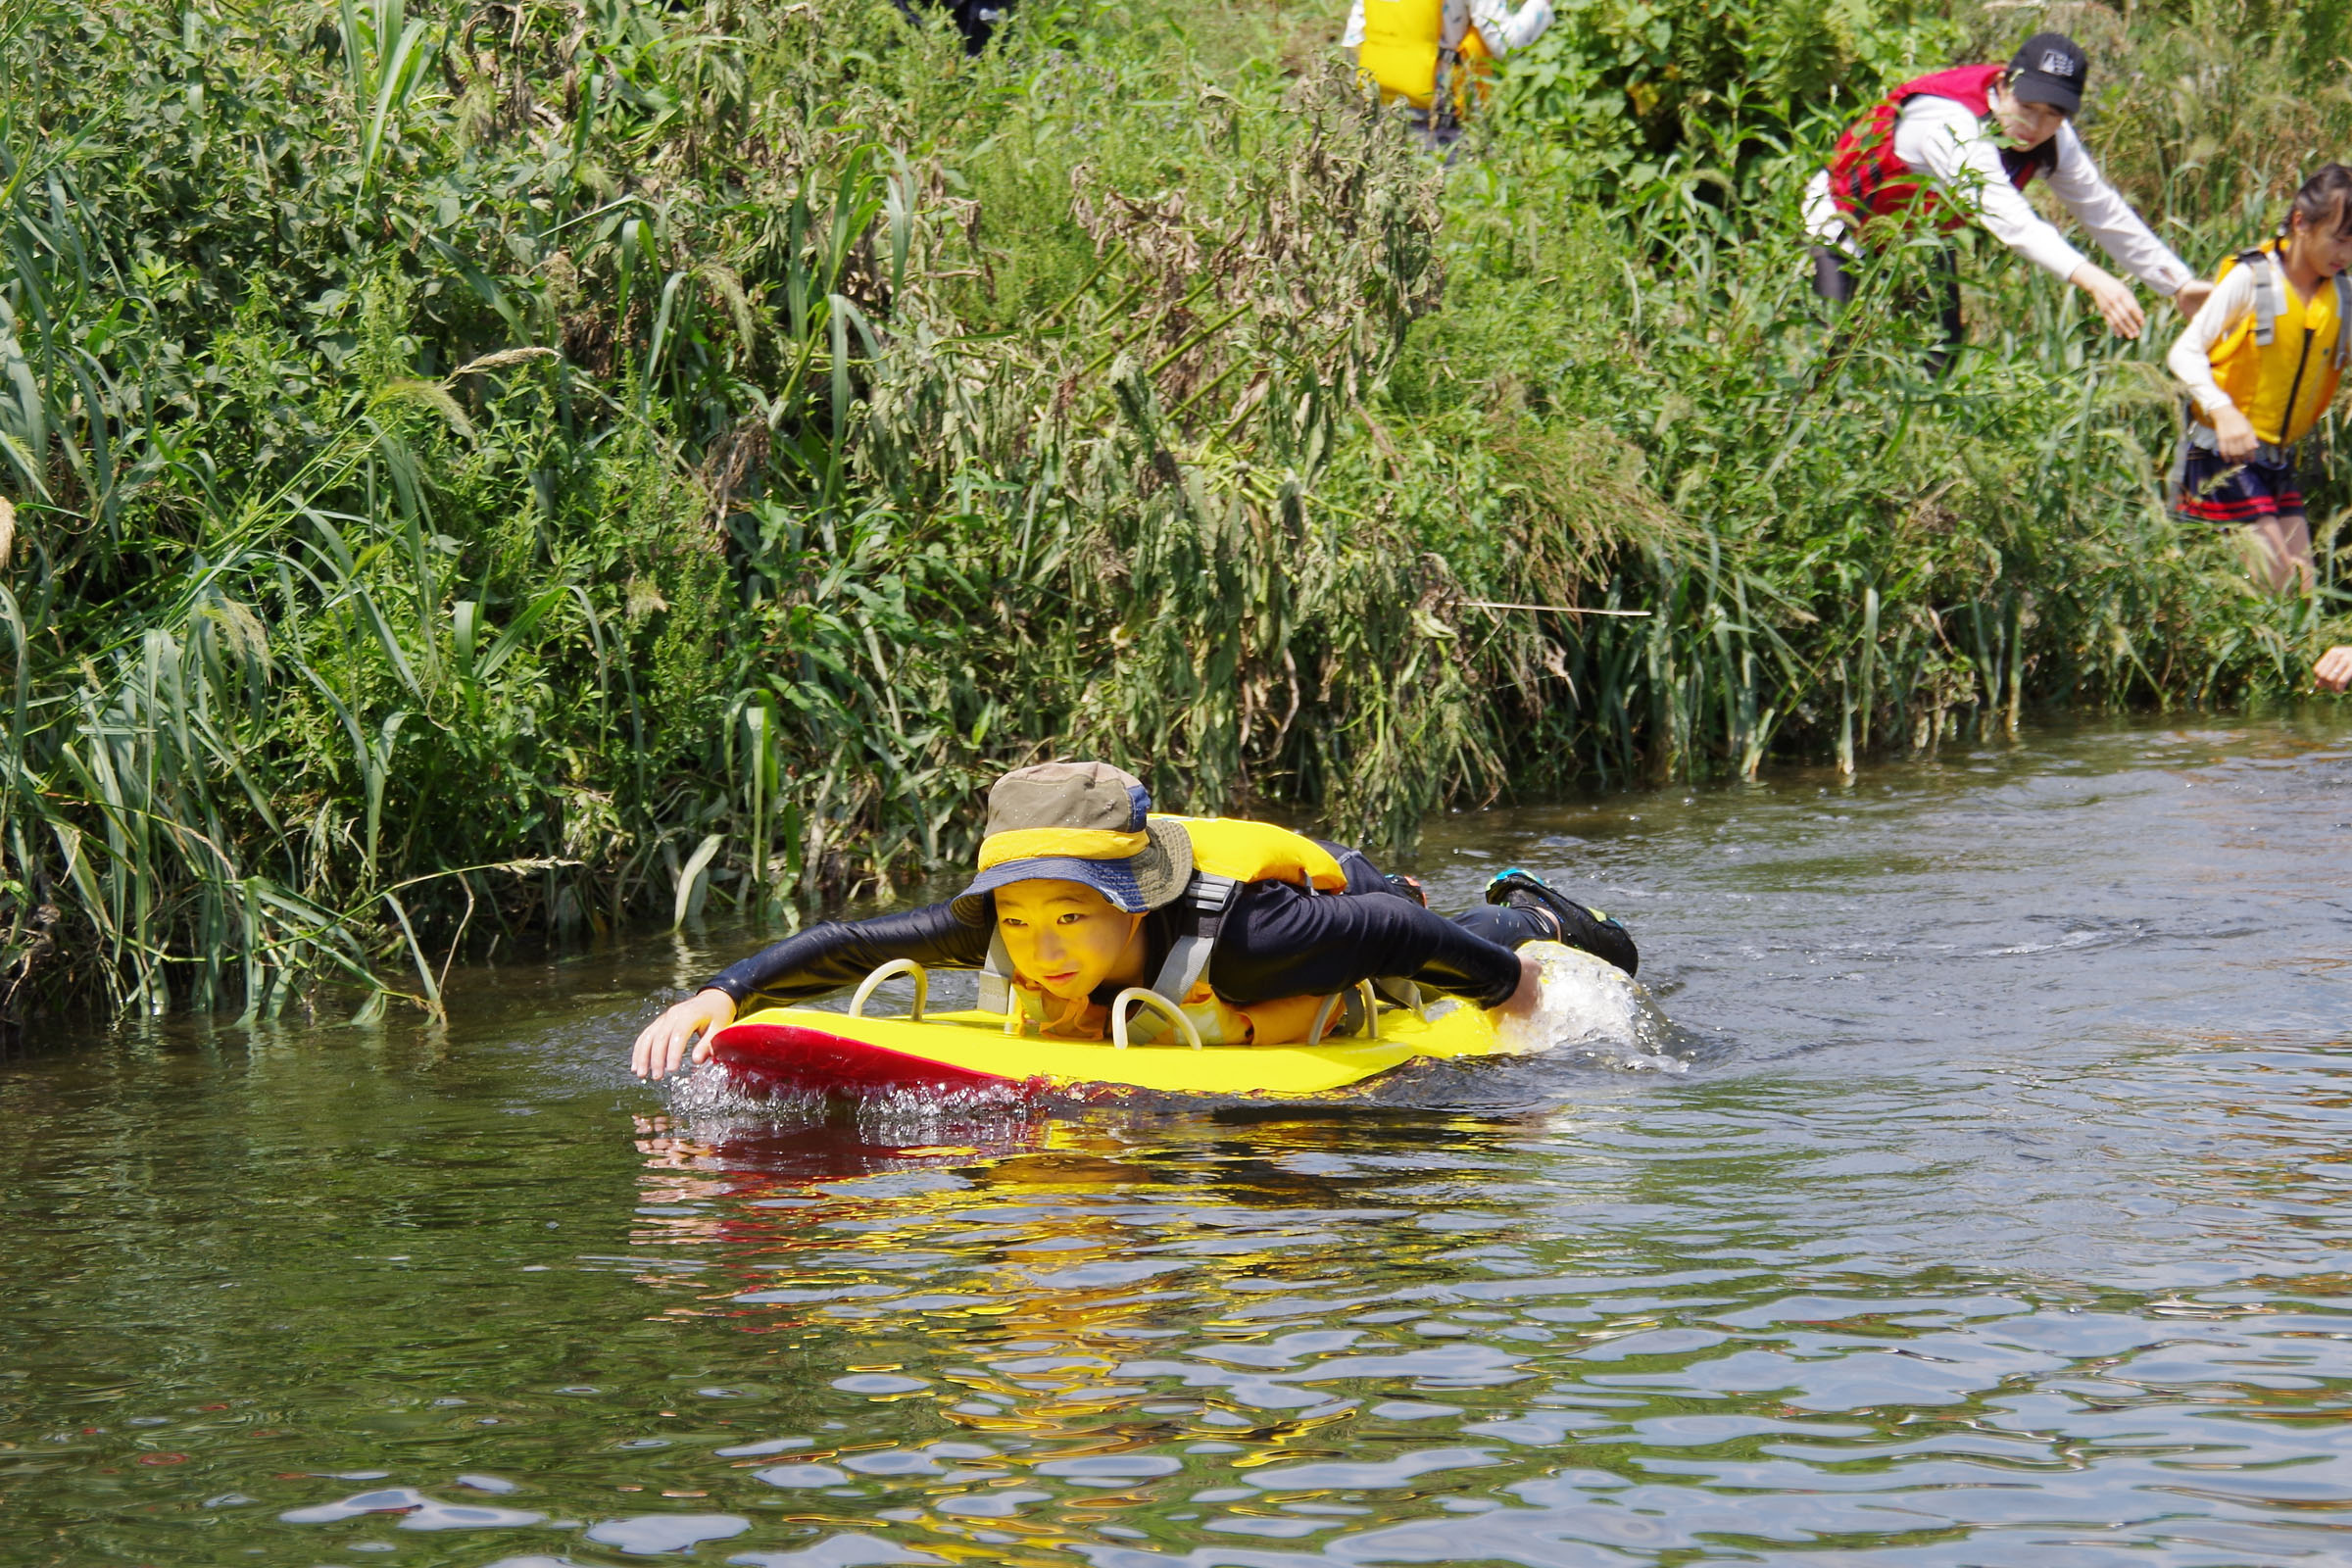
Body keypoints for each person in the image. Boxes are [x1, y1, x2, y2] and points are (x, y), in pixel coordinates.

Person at [631, 760, 1636, 1079]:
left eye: (1071, 915)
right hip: (1252, 911)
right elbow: (849, 944)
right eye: (1021, 923)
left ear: (1130, 901)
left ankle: (1534, 903)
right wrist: (722, 990)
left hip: (1341, 906)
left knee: (1450, 934)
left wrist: (1520, 985)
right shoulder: (1010, 923)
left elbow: (1396, 938)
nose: (1042, 947)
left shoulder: (1250, 946)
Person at [1805, 32, 2211, 373]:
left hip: (1918, 239)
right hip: (1843, 222)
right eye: (2026, 107)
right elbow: (2009, 218)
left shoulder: (2053, 137)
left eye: (2053, 114)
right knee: (1827, 357)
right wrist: (2092, 278)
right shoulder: (1949, 121)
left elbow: (2100, 208)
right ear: (2002, 86)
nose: (2034, 126)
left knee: (1939, 360)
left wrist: (2177, 283)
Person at [2166, 166, 2352, 594]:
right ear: (2302, 223)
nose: (2345, 253)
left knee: (2303, 592)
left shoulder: (2341, 297)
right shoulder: (2252, 278)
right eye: (2339, 238)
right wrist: (2223, 410)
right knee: (2278, 580)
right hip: (2218, 455)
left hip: (2275, 458)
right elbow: (2183, 352)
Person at [1344, 0, 1555, 148]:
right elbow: (1508, 43)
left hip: (1379, 115)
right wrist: (1541, 4)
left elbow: (1353, 41)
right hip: (1441, 124)